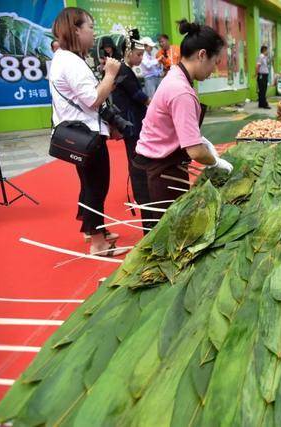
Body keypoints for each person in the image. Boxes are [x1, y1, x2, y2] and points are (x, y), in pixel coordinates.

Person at [134, 19, 233, 218]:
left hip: (152, 164)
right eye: (215, 62)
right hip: (159, 170)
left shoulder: (176, 76)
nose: (214, 70)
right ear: (202, 55)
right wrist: (215, 161)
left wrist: (199, 138)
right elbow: (195, 151)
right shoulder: (182, 91)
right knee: (166, 236)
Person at [50, 7, 127, 256]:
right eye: (90, 27)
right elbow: (93, 99)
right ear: (75, 29)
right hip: (87, 135)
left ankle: (95, 229)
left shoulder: (65, 58)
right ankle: (98, 243)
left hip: (82, 132)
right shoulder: (71, 62)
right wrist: (111, 74)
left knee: (90, 184)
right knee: (97, 185)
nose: (93, 34)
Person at [111, 31, 152, 233]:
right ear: (128, 52)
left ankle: (142, 191)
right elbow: (138, 96)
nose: (141, 58)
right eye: (138, 55)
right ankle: (141, 193)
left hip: (133, 122)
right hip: (131, 123)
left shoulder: (126, 70)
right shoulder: (124, 71)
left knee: (136, 158)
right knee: (136, 161)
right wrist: (153, 103)